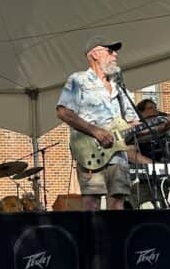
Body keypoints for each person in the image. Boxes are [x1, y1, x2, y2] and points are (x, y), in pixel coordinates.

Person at [56, 36, 140, 210]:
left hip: (118, 155)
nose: (115, 55)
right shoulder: (78, 80)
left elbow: (132, 123)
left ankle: (114, 238)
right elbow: (63, 111)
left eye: (115, 51)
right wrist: (95, 131)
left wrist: (161, 125)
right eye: (110, 50)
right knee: (91, 205)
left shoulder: (120, 86)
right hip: (90, 152)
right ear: (94, 54)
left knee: (118, 205)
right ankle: (92, 238)